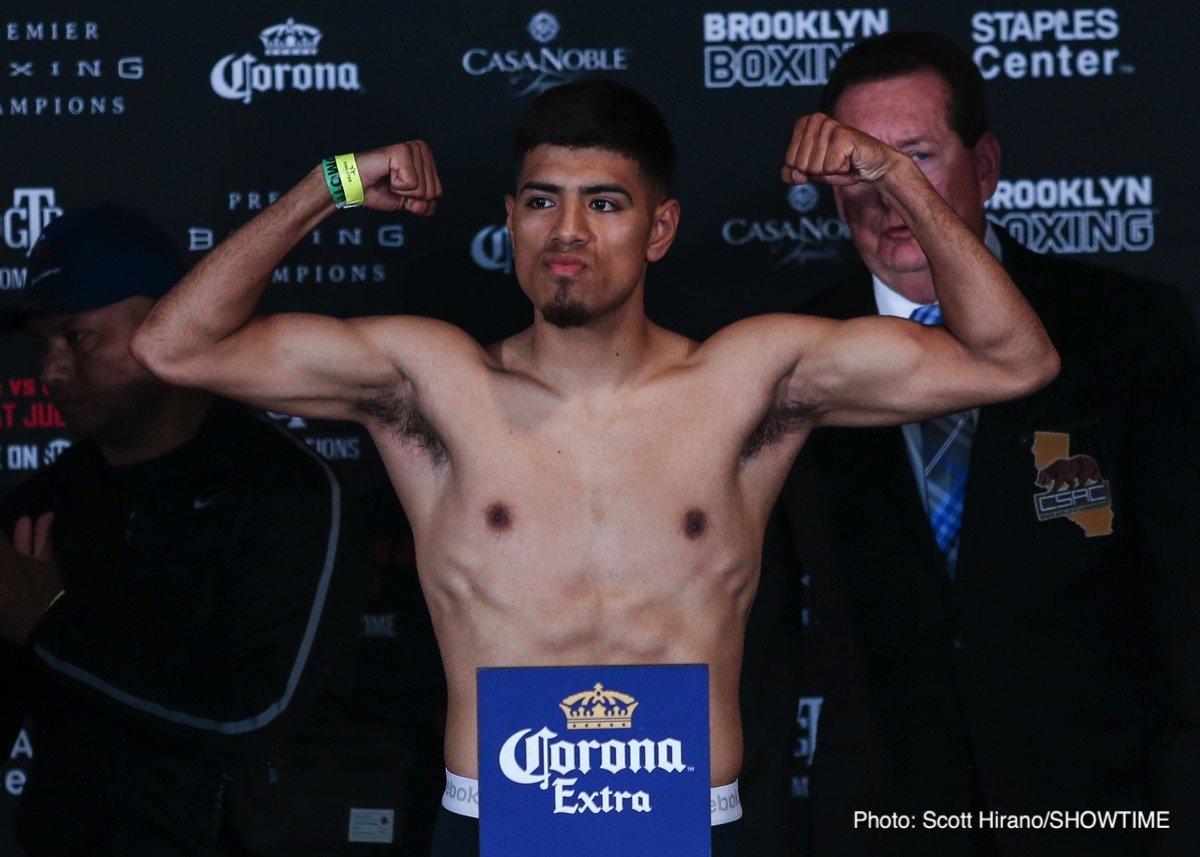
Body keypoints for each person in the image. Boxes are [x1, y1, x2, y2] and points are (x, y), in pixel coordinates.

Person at [130, 79, 1058, 855]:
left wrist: (895, 174)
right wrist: (329, 185)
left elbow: (1014, 360)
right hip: (498, 824)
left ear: (659, 229)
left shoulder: (747, 379)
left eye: (604, 203)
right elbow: (174, 347)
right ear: (511, 221)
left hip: (689, 826)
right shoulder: (431, 383)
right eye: (542, 201)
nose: (566, 230)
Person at [776, 31, 1200, 856]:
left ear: (988, 165)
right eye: (857, 165)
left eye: (913, 157)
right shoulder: (791, 356)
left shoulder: (1122, 327)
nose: (885, 194)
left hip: (1098, 806)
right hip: (886, 815)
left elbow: (1186, 588)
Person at [0, 205, 366, 855]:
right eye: (42, 343)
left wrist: (51, 623)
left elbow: (255, 712)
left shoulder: (280, 487)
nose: (51, 371)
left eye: (76, 336)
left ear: (161, 323)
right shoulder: (39, 504)